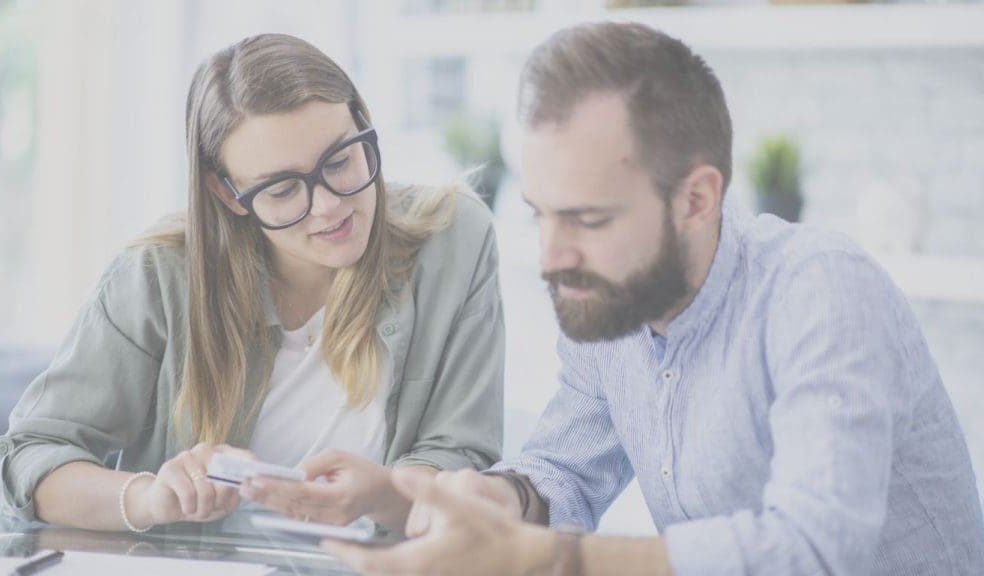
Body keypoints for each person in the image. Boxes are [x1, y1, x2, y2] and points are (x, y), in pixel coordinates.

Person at [324, 21, 984, 576]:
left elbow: (814, 548)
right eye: (540, 215)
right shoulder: (613, 303)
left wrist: (547, 557)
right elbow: (563, 468)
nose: (552, 258)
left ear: (696, 199)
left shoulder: (821, 291)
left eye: (588, 219)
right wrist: (498, 499)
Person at [0, 33, 504, 534]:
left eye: (341, 161)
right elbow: (28, 456)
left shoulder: (454, 239)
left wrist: (387, 496)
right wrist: (150, 498)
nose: (329, 206)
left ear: (364, 125)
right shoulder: (158, 276)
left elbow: (461, 455)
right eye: (282, 190)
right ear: (226, 193)